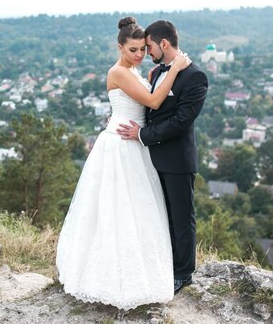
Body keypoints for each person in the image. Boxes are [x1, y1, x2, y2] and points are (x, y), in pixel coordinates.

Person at [55, 17, 191, 312]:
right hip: (122, 145)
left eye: (143, 49)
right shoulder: (119, 71)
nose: (139, 55)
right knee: (118, 210)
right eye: (133, 50)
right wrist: (176, 68)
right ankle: (113, 276)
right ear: (120, 47)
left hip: (137, 143)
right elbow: (154, 102)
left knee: (141, 209)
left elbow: (147, 95)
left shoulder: (134, 70)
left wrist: (157, 74)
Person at [116, 20, 208, 295]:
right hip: (152, 158)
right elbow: (149, 107)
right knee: (161, 217)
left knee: (182, 219)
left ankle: (183, 273)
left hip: (178, 160)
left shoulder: (195, 76)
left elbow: (181, 121)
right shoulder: (157, 72)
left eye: (149, 47)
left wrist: (143, 134)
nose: (146, 53)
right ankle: (165, 265)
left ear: (163, 44)